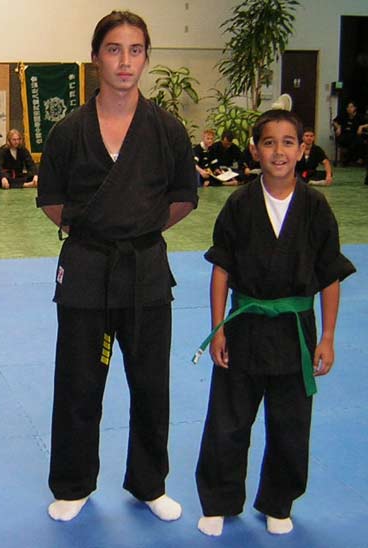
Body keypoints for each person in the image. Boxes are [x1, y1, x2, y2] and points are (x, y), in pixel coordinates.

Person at [37, 10, 198, 523]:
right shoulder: (69, 130)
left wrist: (137, 228)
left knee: (150, 384)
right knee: (78, 383)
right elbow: (52, 200)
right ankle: (73, 484)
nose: (125, 61)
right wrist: (100, 230)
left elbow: (184, 197)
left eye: (135, 50)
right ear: (95, 58)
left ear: (146, 58)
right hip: (86, 269)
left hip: (145, 269)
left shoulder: (167, 129)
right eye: (113, 49)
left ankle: (150, 484)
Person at [194, 109, 356, 537]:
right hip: (245, 327)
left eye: (288, 142)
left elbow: (330, 276)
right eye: (269, 142)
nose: (279, 151)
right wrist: (218, 328)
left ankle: (278, 502)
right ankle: (219, 501)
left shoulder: (315, 207)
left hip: (295, 331)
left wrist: (328, 337)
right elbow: (221, 269)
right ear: (255, 150)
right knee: (228, 421)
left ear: (302, 148)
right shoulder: (239, 204)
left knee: (290, 425)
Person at [332, 100, 367, 165]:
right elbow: (334, 121)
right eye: (348, 107)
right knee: (343, 140)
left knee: (358, 142)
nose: (349, 109)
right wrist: (338, 127)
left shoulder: (360, 116)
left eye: (351, 107)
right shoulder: (343, 115)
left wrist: (361, 127)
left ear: (355, 108)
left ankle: (348, 160)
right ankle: (350, 159)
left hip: (355, 135)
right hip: (344, 135)